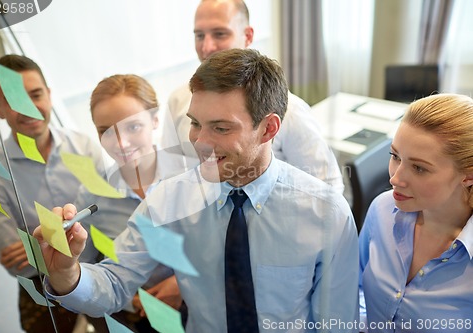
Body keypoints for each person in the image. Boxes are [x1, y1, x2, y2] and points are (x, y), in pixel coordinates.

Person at [34, 48, 358, 332]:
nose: (200, 142)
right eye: (195, 123)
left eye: (220, 127)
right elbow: (116, 282)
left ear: (269, 128)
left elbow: (335, 323)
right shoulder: (170, 199)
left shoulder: (325, 213)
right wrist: (68, 274)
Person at [0, 54, 104, 333]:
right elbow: (17, 265)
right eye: (13, 99)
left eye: (35, 95)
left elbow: (111, 223)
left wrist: (38, 242)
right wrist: (76, 231)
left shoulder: (84, 147)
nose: (29, 108)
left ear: (49, 95)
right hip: (42, 293)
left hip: (101, 274)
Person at [160, 0, 344, 193]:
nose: (207, 47)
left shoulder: (291, 111)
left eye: (219, 34)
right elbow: (169, 175)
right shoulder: (178, 101)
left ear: (247, 36)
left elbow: (327, 188)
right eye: (199, 36)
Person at [75, 74, 191, 332]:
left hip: (208, 304)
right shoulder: (92, 197)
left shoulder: (191, 173)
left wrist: (182, 284)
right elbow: (86, 266)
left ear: (155, 120)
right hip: (145, 318)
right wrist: (129, 300)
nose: (121, 143)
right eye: (105, 130)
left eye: (133, 127)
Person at [359, 94, 473, 332]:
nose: (394, 178)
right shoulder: (381, 210)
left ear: (468, 175)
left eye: (419, 168)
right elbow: (355, 286)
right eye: (395, 156)